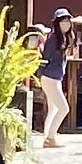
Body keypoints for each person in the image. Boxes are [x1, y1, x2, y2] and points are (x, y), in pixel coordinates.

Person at [33, 8, 75, 152]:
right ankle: (50, 138)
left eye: (68, 20)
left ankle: (48, 136)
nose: (66, 23)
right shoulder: (54, 39)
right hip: (50, 77)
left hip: (55, 77)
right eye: (62, 20)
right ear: (56, 23)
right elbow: (47, 58)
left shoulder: (63, 38)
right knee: (64, 108)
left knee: (53, 108)